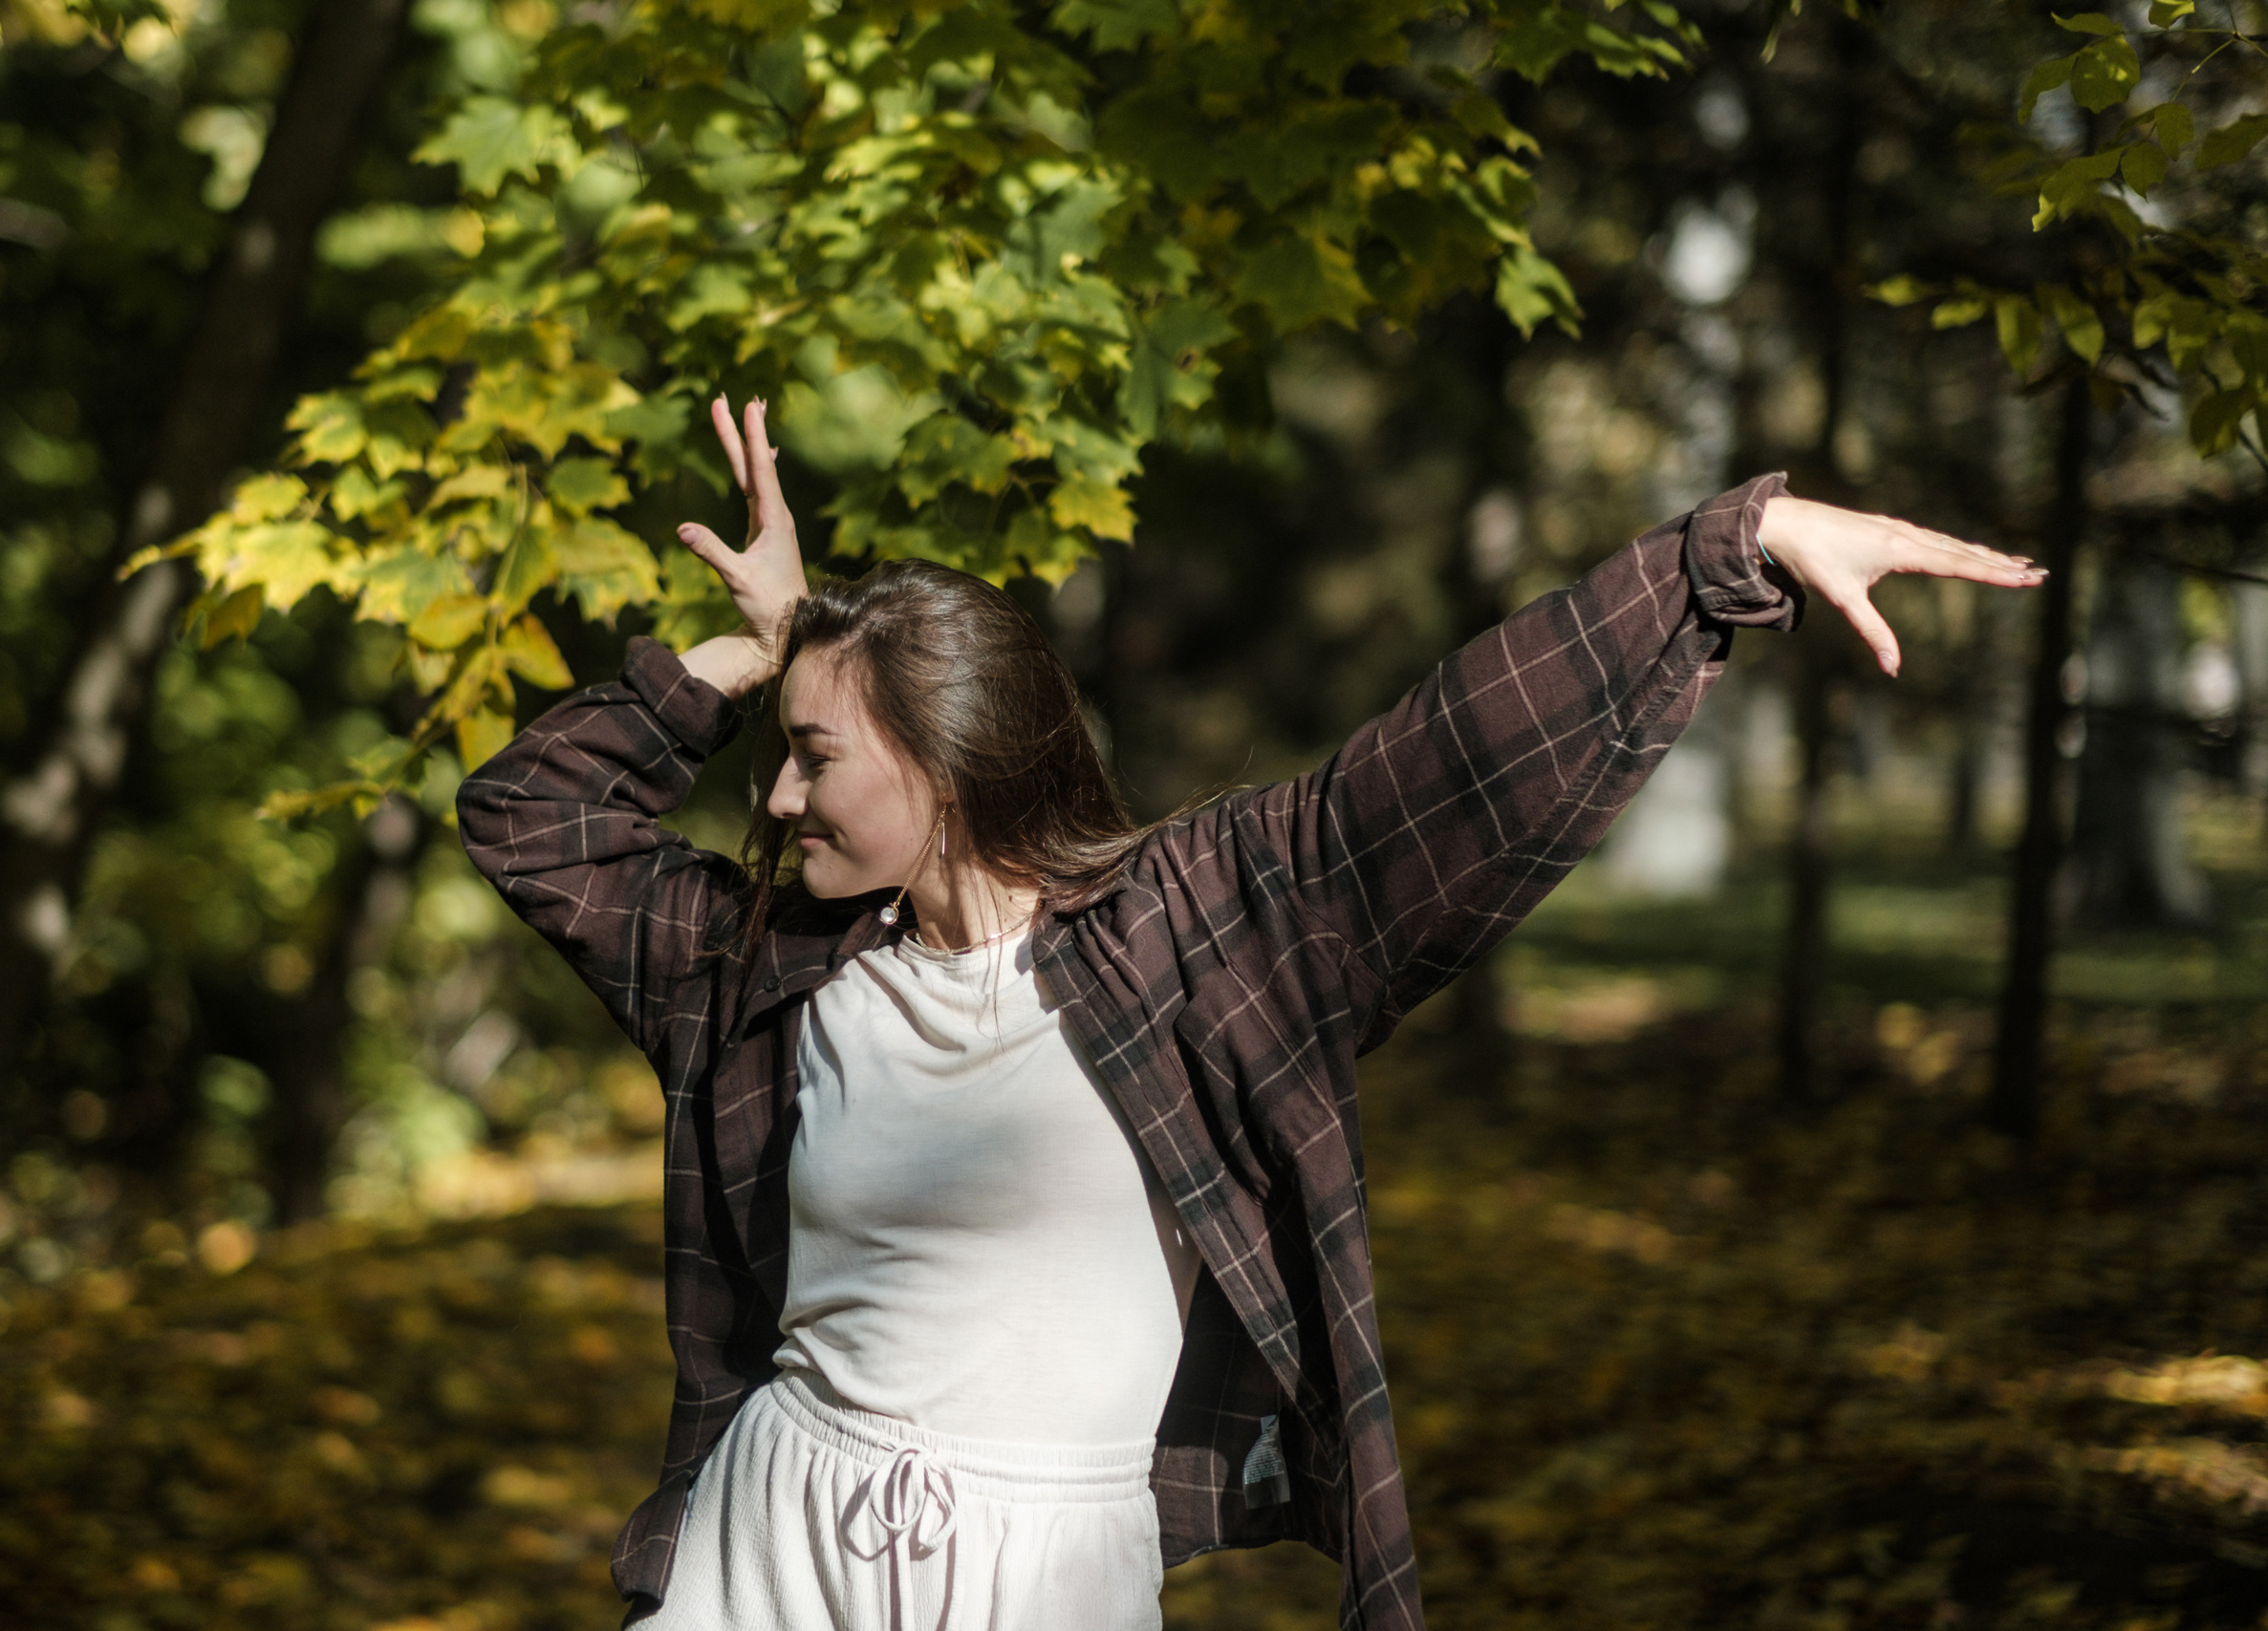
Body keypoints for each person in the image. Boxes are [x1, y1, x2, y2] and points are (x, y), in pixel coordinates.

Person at [457, 396, 2045, 1631]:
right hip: (771, 1546)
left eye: (816, 755)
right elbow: (531, 821)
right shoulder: (767, 970)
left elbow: (1445, 767)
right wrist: (755, 654)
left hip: (1046, 1570)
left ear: (945, 765)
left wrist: (1732, 550)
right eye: (781, 752)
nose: (780, 794)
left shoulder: (1194, 925)